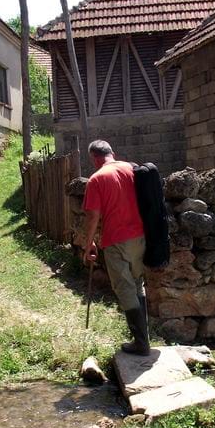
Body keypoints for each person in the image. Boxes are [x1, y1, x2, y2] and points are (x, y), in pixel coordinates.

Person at [82, 140, 150, 356]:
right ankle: (143, 338)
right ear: (113, 153)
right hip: (140, 237)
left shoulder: (96, 179)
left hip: (115, 240)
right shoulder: (131, 168)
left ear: (94, 158)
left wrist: (88, 243)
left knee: (124, 288)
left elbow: (93, 216)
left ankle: (141, 343)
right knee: (138, 284)